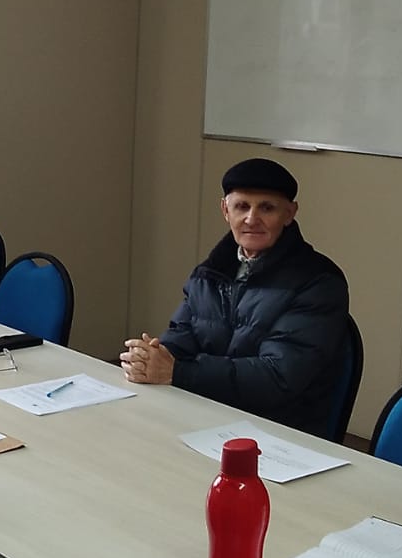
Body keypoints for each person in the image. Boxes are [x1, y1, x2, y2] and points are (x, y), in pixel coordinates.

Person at [120, 158, 349, 437]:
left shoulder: (318, 282)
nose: (252, 219)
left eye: (267, 208)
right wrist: (151, 358)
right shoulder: (209, 273)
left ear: (289, 214)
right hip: (207, 415)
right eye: (242, 206)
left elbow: (278, 378)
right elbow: (180, 340)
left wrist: (178, 373)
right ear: (225, 210)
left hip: (280, 432)